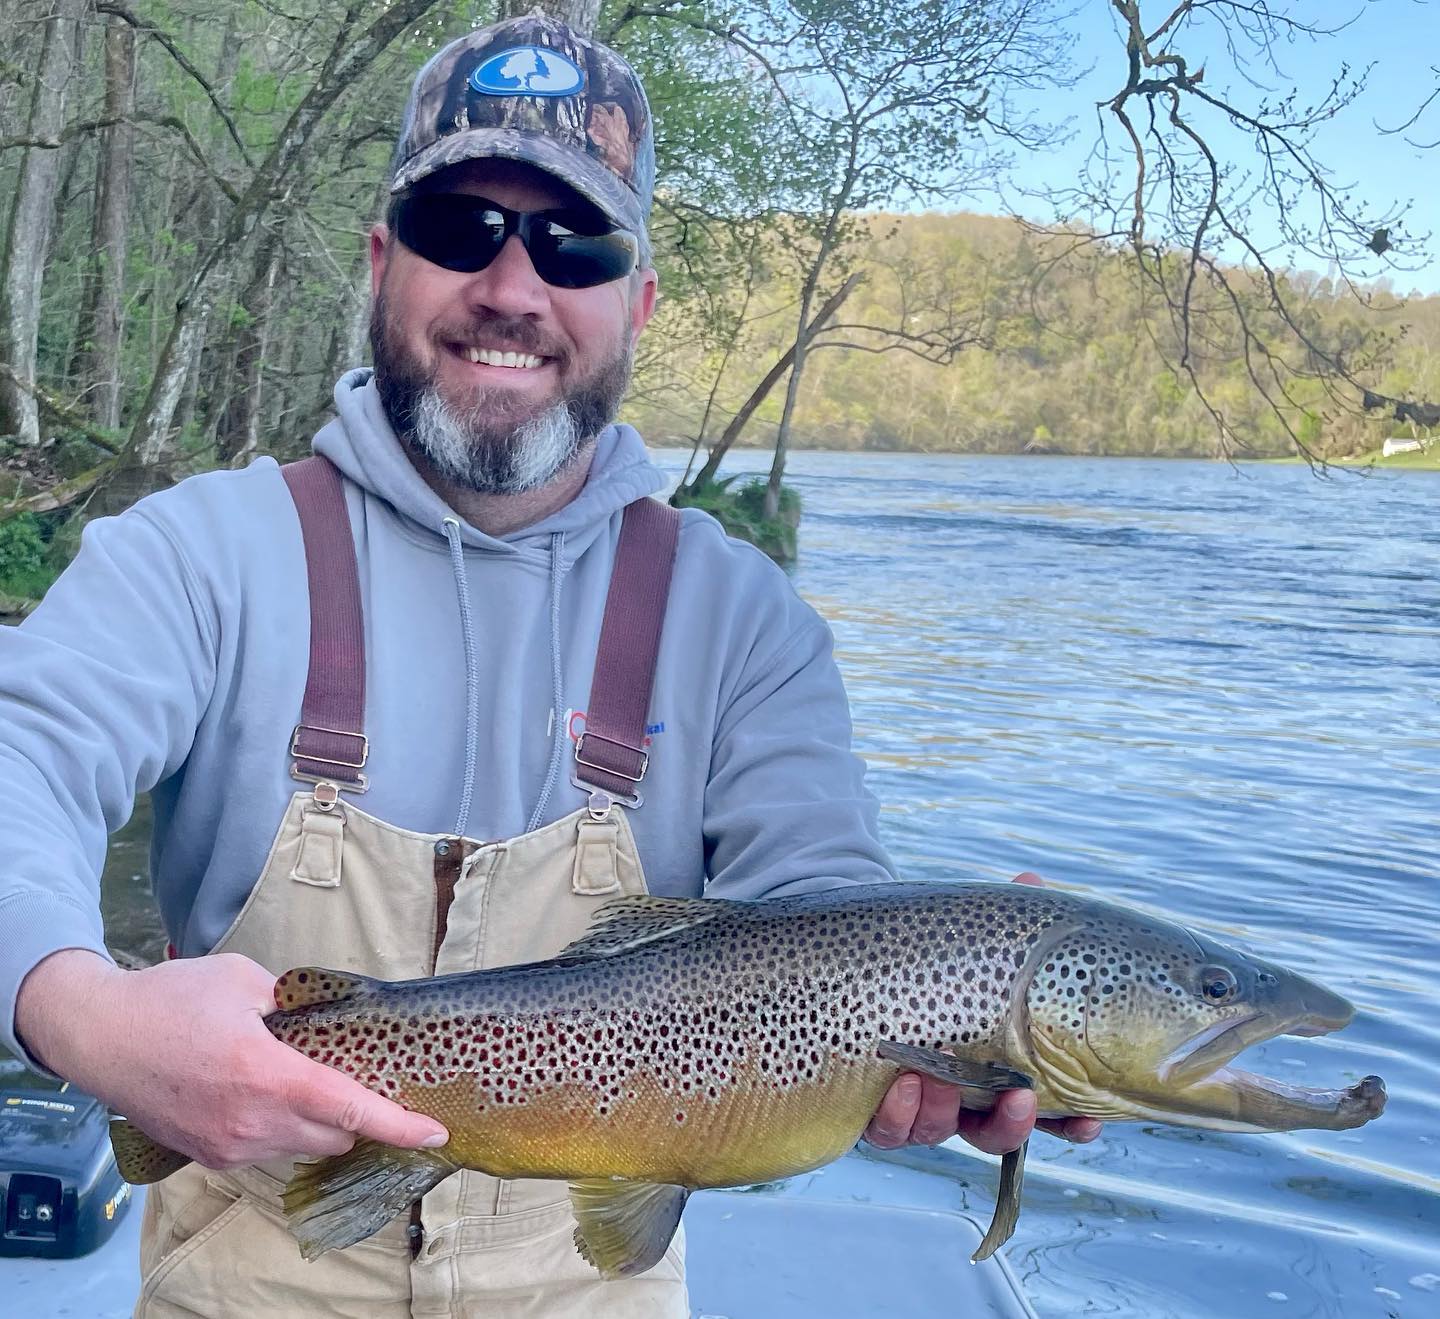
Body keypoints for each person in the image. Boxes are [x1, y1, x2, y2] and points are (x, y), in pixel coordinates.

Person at [0, 15, 1098, 1318]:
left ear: (636, 300)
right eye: (461, 227)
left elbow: (819, 896)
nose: (512, 288)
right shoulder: (199, 552)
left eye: (575, 243)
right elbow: (22, 763)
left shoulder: (742, 620)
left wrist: (953, 1000)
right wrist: (79, 1013)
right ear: (379, 262)